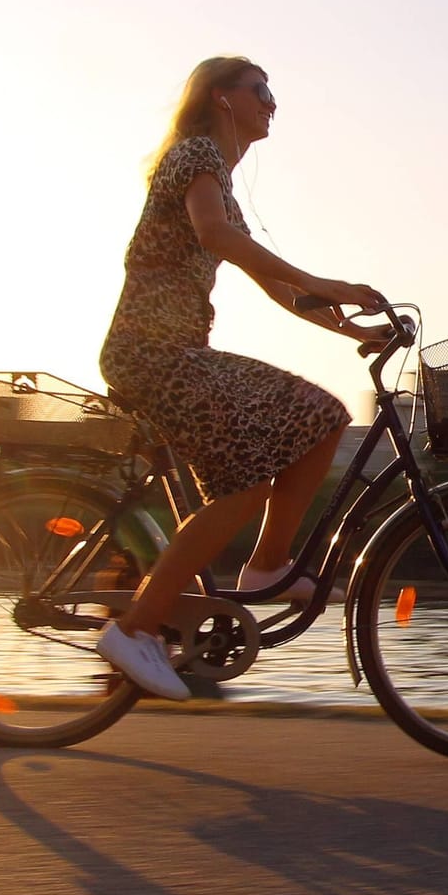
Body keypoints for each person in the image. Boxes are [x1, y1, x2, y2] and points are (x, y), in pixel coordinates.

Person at [94, 56, 390, 701]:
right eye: (260, 90)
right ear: (220, 98)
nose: (271, 102)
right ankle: (137, 629)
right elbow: (215, 235)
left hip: (176, 353)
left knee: (323, 417)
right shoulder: (195, 154)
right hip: (152, 354)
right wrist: (325, 283)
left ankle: (265, 567)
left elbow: (278, 288)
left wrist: (355, 331)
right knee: (243, 484)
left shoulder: (219, 179)